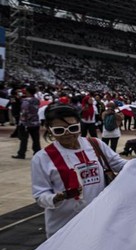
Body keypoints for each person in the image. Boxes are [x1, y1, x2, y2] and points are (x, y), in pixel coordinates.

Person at [31, 103, 128, 238]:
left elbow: (119, 164)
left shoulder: (95, 144)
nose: (68, 134)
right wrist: (56, 198)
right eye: (59, 130)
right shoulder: (42, 158)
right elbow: (40, 195)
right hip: (64, 227)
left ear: (80, 125)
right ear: (49, 129)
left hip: (100, 222)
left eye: (73, 128)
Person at [13, 86, 41, 159]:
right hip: (35, 121)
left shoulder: (25, 101)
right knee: (36, 139)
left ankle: (21, 153)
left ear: (27, 92)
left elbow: (24, 112)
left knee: (24, 139)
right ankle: (37, 152)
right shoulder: (36, 100)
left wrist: (22, 121)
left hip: (26, 123)